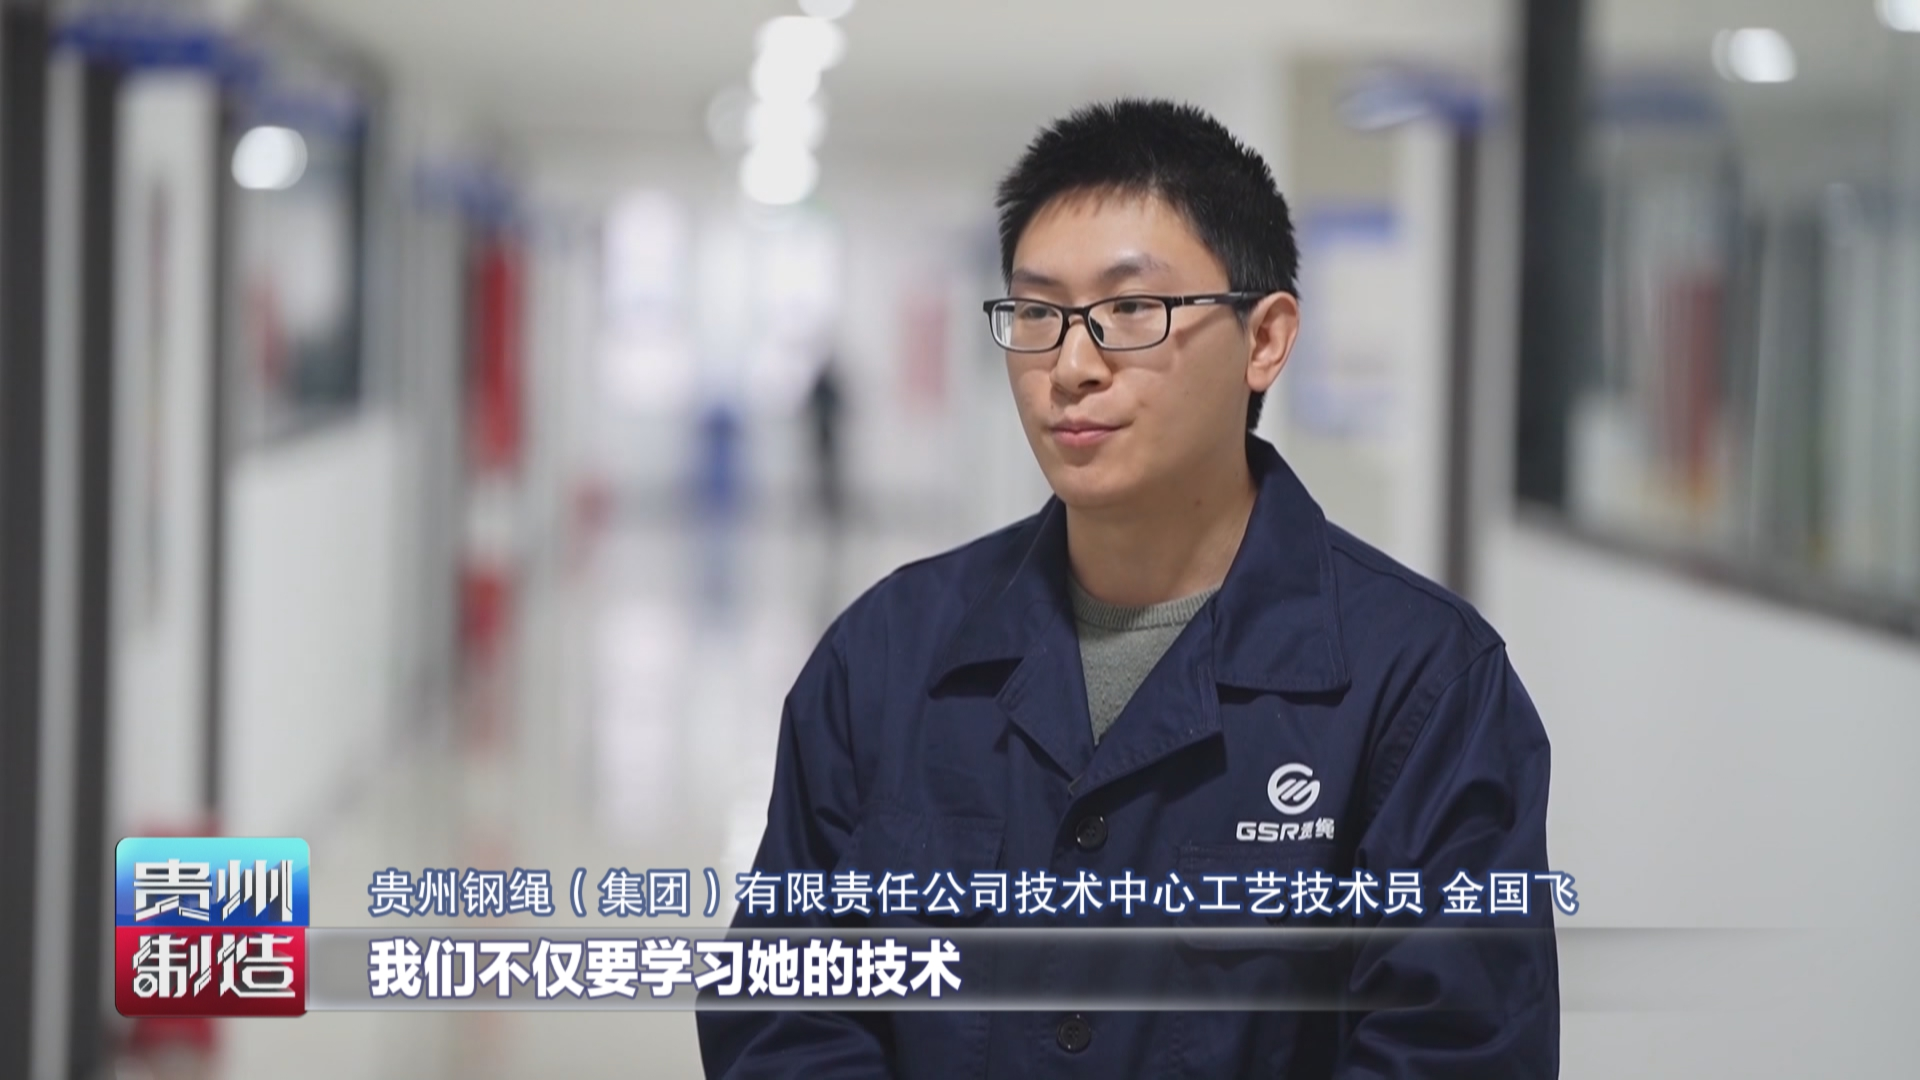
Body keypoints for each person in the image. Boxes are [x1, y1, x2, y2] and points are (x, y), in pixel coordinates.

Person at [698, 98, 1558, 1078]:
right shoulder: (890, 654)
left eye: (1131, 311)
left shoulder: (1421, 685)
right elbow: (783, 1010)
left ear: (1266, 339)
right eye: (1036, 313)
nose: (1071, 366)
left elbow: (1455, 1050)